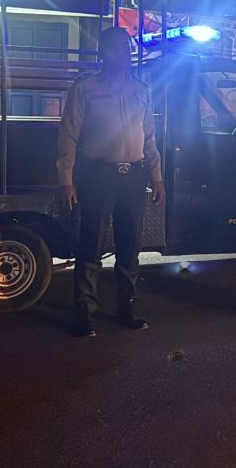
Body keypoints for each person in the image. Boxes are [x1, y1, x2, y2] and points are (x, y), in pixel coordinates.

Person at [57, 27, 164, 337]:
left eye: (127, 47)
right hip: (97, 176)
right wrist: (66, 179)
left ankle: (126, 305)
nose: (125, 53)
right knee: (91, 244)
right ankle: (84, 310)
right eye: (117, 47)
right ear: (103, 52)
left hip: (134, 177)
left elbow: (150, 137)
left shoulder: (141, 90)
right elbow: (68, 135)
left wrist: (157, 177)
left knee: (129, 246)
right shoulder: (85, 88)